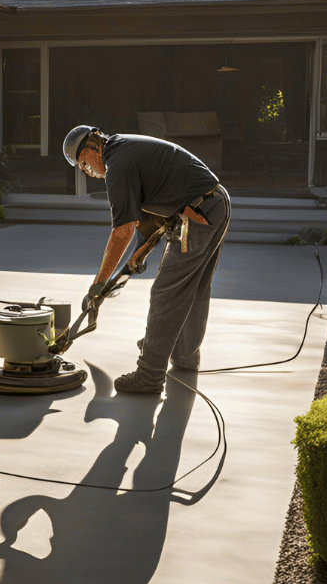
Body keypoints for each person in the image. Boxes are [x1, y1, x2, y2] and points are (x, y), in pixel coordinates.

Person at [62, 125, 231, 394]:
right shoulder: (123, 149)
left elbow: (122, 232)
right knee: (193, 289)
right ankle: (183, 356)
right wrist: (137, 256)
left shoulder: (116, 164)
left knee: (166, 293)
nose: (86, 171)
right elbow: (146, 222)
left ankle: (150, 374)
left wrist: (98, 285)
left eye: (83, 163)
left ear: (93, 147)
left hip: (198, 215)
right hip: (210, 205)